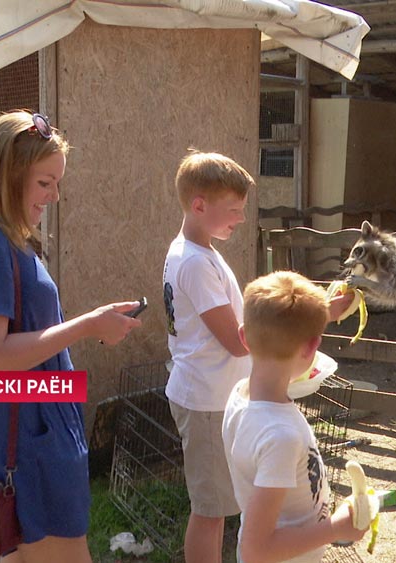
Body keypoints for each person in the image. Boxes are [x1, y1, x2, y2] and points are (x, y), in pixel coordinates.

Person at [0, 110, 142, 563]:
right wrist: (89, 324)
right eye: (44, 182)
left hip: (27, 434)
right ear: (7, 176)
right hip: (20, 446)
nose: (54, 196)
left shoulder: (0, 238)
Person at [222, 271, 367, 563]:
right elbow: (256, 551)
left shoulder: (241, 394)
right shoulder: (282, 437)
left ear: (243, 337)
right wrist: (334, 528)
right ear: (313, 347)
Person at [162, 151, 256, 562]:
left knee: (216, 507)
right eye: (233, 211)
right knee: (209, 511)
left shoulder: (197, 251)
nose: (240, 219)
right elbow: (236, 340)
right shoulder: (196, 262)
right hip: (205, 401)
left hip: (212, 395)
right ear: (199, 205)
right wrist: (289, 323)